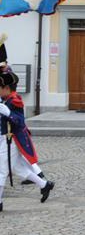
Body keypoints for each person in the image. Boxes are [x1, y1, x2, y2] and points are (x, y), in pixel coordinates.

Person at [0, 72, 54, 211]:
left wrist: (8, 113)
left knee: (2, 170)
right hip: (6, 138)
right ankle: (44, 184)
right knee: (17, 167)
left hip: (11, 139)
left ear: (6, 88)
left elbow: (19, 121)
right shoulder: (5, 99)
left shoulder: (14, 100)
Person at [0, 35, 46, 185]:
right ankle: (41, 179)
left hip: (12, 129)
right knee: (20, 157)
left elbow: (16, 116)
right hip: (9, 128)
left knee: (21, 155)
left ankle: (40, 177)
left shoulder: (6, 78)